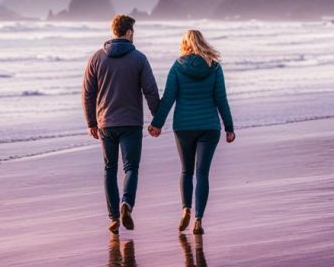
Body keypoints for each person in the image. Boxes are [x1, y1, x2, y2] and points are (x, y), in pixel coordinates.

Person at [148, 30, 235, 235]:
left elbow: (168, 98)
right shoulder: (214, 67)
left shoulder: (177, 67)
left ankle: (186, 208)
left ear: (185, 44)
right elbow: (221, 99)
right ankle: (198, 220)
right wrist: (229, 127)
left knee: (187, 171)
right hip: (209, 127)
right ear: (203, 42)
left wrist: (156, 124)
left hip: (184, 126)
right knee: (202, 173)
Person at [83, 14, 160, 234]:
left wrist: (91, 122)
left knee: (109, 169)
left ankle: (114, 218)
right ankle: (127, 203)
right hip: (131, 123)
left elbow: (87, 93)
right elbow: (150, 91)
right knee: (131, 168)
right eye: (133, 31)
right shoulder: (139, 58)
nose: (134, 35)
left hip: (105, 123)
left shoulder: (96, 58)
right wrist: (157, 119)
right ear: (128, 32)